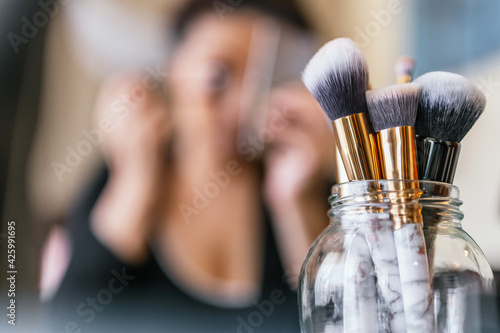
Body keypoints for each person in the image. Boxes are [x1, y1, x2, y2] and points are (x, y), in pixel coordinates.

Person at [45, 1, 336, 331]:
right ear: (171, 66)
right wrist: (137, 180)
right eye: (218, 75)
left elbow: (338, 318)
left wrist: (295, 203)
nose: (242, 105)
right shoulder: (115, 182)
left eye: (267, 82)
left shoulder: (307, 187)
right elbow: (67, 321)